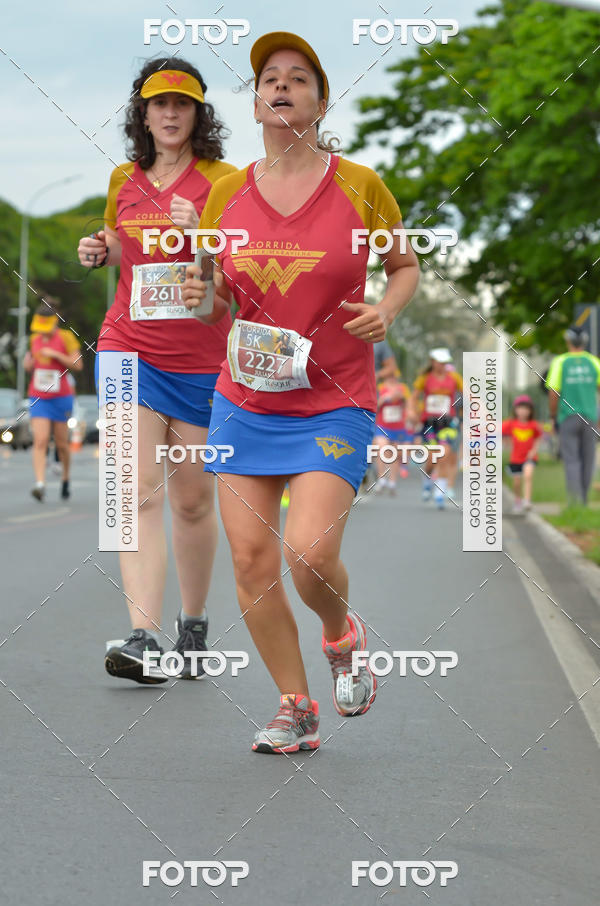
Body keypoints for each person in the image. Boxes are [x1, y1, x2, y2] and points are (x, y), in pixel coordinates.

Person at [182, 31, 419, 753]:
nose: (281, 86)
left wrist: (387, 310)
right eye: (269, 79)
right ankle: (295, 706)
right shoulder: (225, 194)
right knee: (251, 560)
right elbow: (217, 301)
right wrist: (201, 299)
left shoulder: (361, 185)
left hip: (334, 399)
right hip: (245, 401)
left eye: (298, 78)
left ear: (320, 101)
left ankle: (341, 635)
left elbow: (405, 266)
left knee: (309, 554)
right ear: (256, 102)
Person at [77, 59, 237, 683]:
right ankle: (143, 636)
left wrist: (204, 236)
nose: (170, 113)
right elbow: (123, 243)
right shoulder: (123, 177)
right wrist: (100, 249)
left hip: (200, 358)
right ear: (142, 114)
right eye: (159, 103)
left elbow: (238, 269)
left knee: (191, 501)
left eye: (182, 103)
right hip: (128, 346)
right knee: (135, 486)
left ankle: (192, 624)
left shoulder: (223, 180)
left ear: (198, 113)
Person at [23, 299, 82, 502]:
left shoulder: (66, 337)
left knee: (62, 443)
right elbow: (32, 364)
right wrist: (28, 365)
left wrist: (56, 354)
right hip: (39, 396)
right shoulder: (34, 339)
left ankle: (65, 478)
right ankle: (40, 484)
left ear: (55, 322)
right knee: (40, 440)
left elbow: (78, 364)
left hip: (61, 397)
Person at [546, 327, 600, 505]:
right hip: (590, 417)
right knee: (588, 460)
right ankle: (583, 501)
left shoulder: (560, 362)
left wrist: (553, 416)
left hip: (568, 416)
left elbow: (553, 393)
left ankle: (574, 502)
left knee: (571, 460)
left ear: (568, 341)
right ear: (584, 341)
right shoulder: (594, 362)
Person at [412, 348, 462, 509]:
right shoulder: (424, 378)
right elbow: (414, 397)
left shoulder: (454, 377)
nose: (442, 365)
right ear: (433, 362)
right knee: (432, 457)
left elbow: (468, 394)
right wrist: (413, 412)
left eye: (445, 362)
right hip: (430, 423)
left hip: (447, 422)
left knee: (445, 454)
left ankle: (440, 493)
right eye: (440, 362)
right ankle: (427, 480)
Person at [372, 371, 415, 493]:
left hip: (398, 427)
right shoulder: (380, 388)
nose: (392, 378)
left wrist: (403, 400)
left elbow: (409, 404)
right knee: (381, 449)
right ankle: (381, 479)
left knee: (394, 454)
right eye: (390, 376)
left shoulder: (403, 388)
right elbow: (374, 406)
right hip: (383, 426)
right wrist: (385, 398)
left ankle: (392, 482)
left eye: (394, 376)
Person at [502, 395, 543, 514]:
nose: (523, 411)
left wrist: (534, 450)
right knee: (516, 483)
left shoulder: (533, 425)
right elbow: (499, 430)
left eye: (526, 408)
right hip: (515, 458)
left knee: (528, 475)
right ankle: (518, 501)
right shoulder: (511, 423)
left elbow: (538, 438)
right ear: (515, 410)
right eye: (520, 408)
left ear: (530, 411)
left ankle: (527, 501)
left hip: (529, 457)